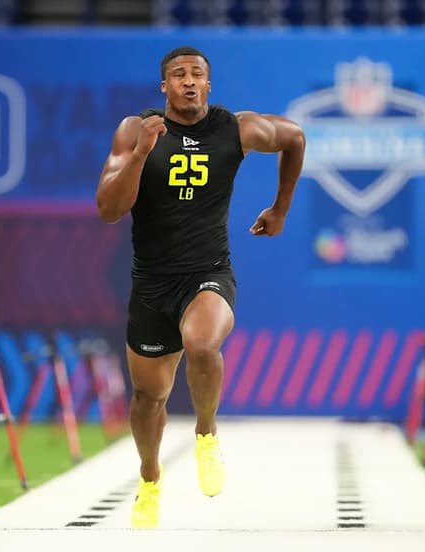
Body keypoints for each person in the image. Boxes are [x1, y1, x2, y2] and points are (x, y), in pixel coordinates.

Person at [96, 46, 306, 529]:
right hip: (152, 283)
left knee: (203, 343)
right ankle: (150, 478)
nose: (188, 81)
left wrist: (281, 208)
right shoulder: (135, 129)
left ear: (209, 84)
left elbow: (294, 138)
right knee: (148, 399)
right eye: (178, 74)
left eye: (197, 74)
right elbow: (108, 209)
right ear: (164, 86)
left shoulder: (237, 128)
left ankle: (206, 436)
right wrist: (142, 154)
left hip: (208, 272)